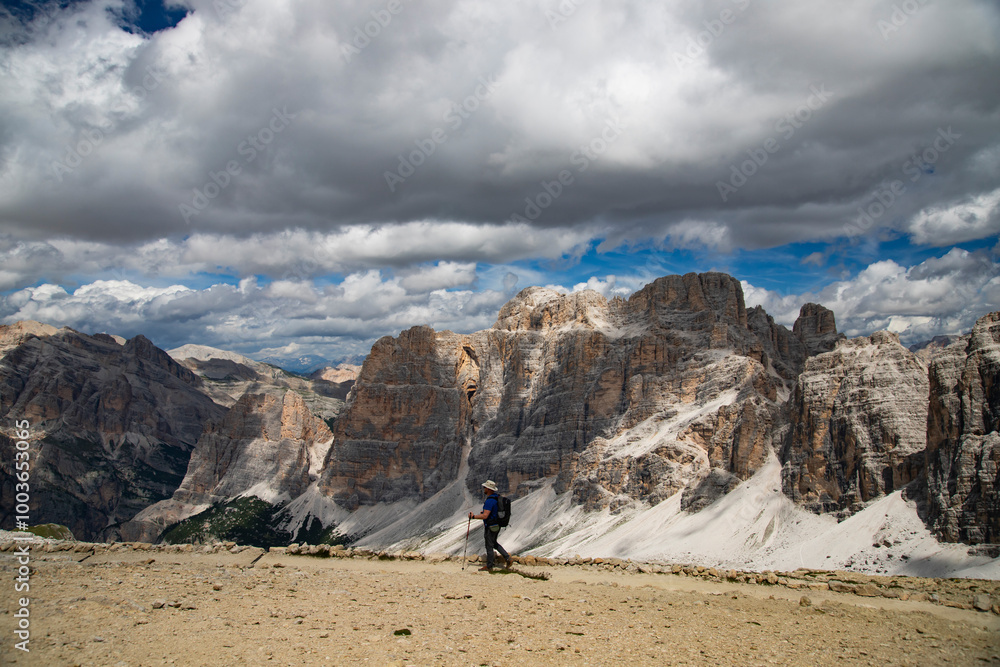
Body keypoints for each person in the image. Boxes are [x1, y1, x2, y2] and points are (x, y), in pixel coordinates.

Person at [468, 480, 512, 571]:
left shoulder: (489, 501)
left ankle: (489, 566)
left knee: (489, 545)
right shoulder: (496, 498)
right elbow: (492, 512)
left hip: (491, 526)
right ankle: (507, 558)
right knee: (494, 543)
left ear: (488, 489)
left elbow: (485, 516)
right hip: (497, 525)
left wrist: (473, 516)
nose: (484, 489)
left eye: (485, 487)